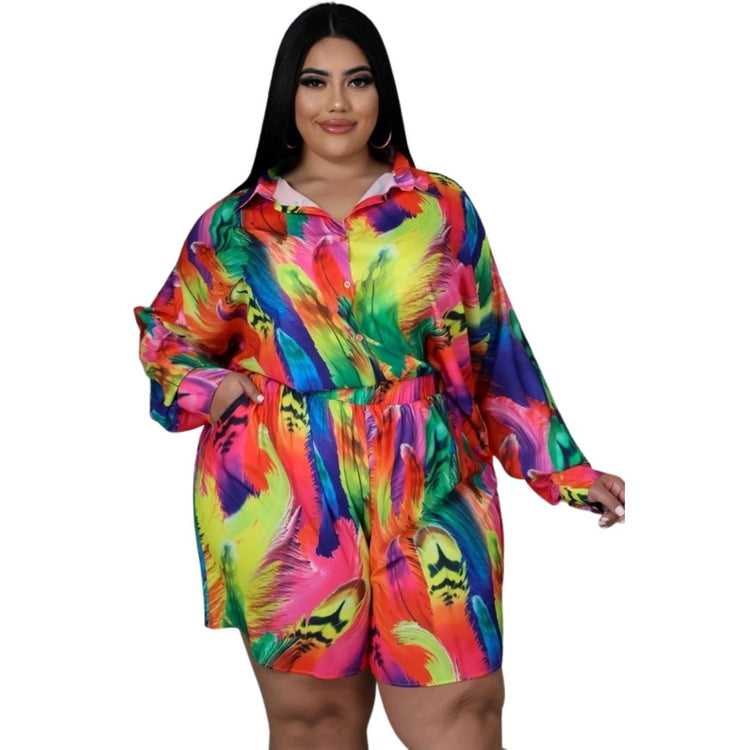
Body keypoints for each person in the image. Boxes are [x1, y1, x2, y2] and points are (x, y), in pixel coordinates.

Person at [133, 3, 625, 748]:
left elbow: (494, 345)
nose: (337, 102)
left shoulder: (437, 207)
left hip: (431, 479)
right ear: (288, 95)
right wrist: (219, 388)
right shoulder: (235, 227)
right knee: (314, 724)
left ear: (381, 93)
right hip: (289, 492)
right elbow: (171, 339)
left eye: (357, 81)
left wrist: (563, 470)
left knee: (463, 713)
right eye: (315, 82)